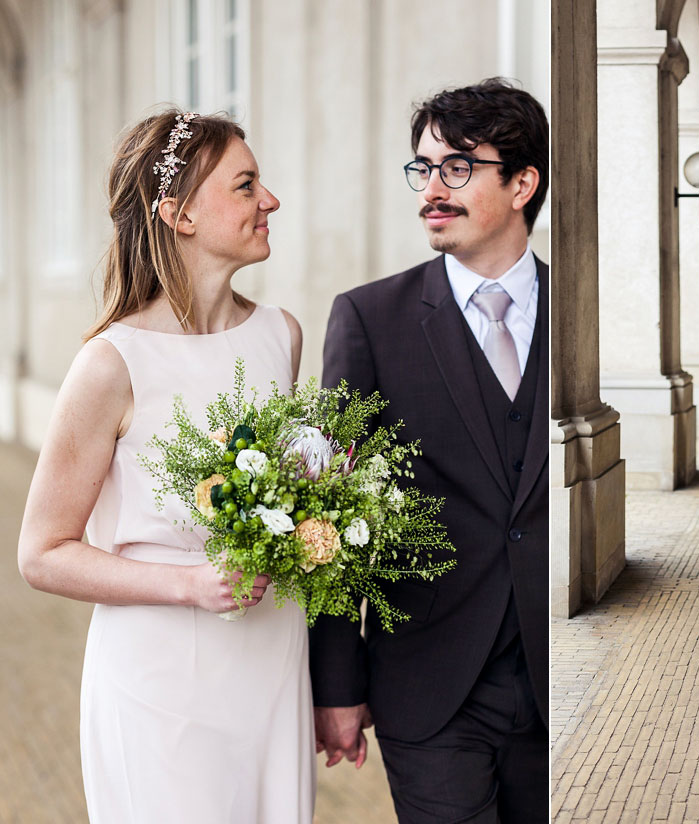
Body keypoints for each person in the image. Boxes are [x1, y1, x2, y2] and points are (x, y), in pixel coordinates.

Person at [17, 111, 314, 822]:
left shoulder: (282, 335)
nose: (269, 200)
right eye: (245, 186)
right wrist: (188, 584)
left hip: (272, 659)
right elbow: (42, 554)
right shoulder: (110, 364)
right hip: (159, 678)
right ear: (178, 214)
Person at [309, 78, 549, 822]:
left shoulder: (587, 309)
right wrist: (337, 685)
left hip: (557, 681)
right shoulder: (368, 319)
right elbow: (329, 522)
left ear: (522, 183)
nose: (431, 190)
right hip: (429, 682)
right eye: (423, 168)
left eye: (457, 167)